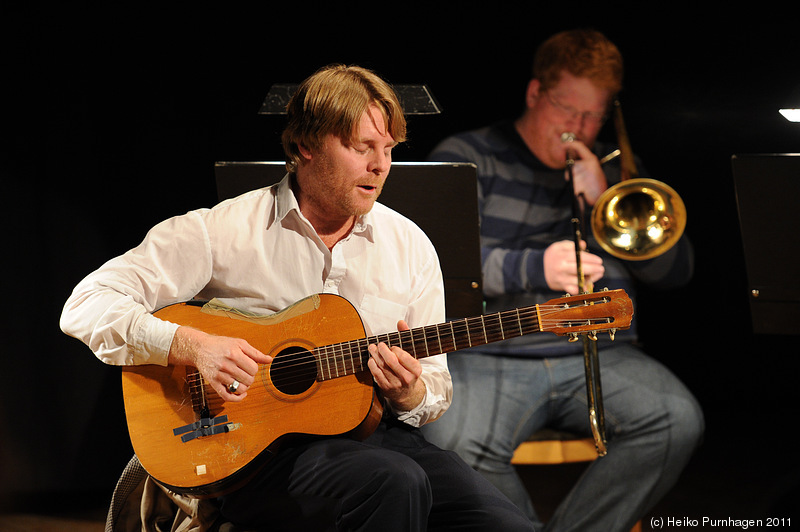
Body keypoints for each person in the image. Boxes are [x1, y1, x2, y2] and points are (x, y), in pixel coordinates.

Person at [60, 64, 536, 532]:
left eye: (388, 149)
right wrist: (193, 345)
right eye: (362, 147)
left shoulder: (410, 246)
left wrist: (409, 391)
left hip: (372, 435)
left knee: (502, 522)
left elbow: (435, 388)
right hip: (248, 452)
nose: (380, 166)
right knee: (395, 483)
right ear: (306, 145)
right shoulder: (224, 230)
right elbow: (86, 303)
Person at [419, 29, 705, 531]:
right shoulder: (468, 156)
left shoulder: (618, 174)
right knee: (449, 443)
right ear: (535, 94)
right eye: (568, 110)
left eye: (595, 115)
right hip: (492, 352)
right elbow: (431, 264)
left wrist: (603, 198)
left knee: (678, 421)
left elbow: (676, 273)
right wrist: (534, 267)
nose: (580, 128)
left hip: (603, 352)